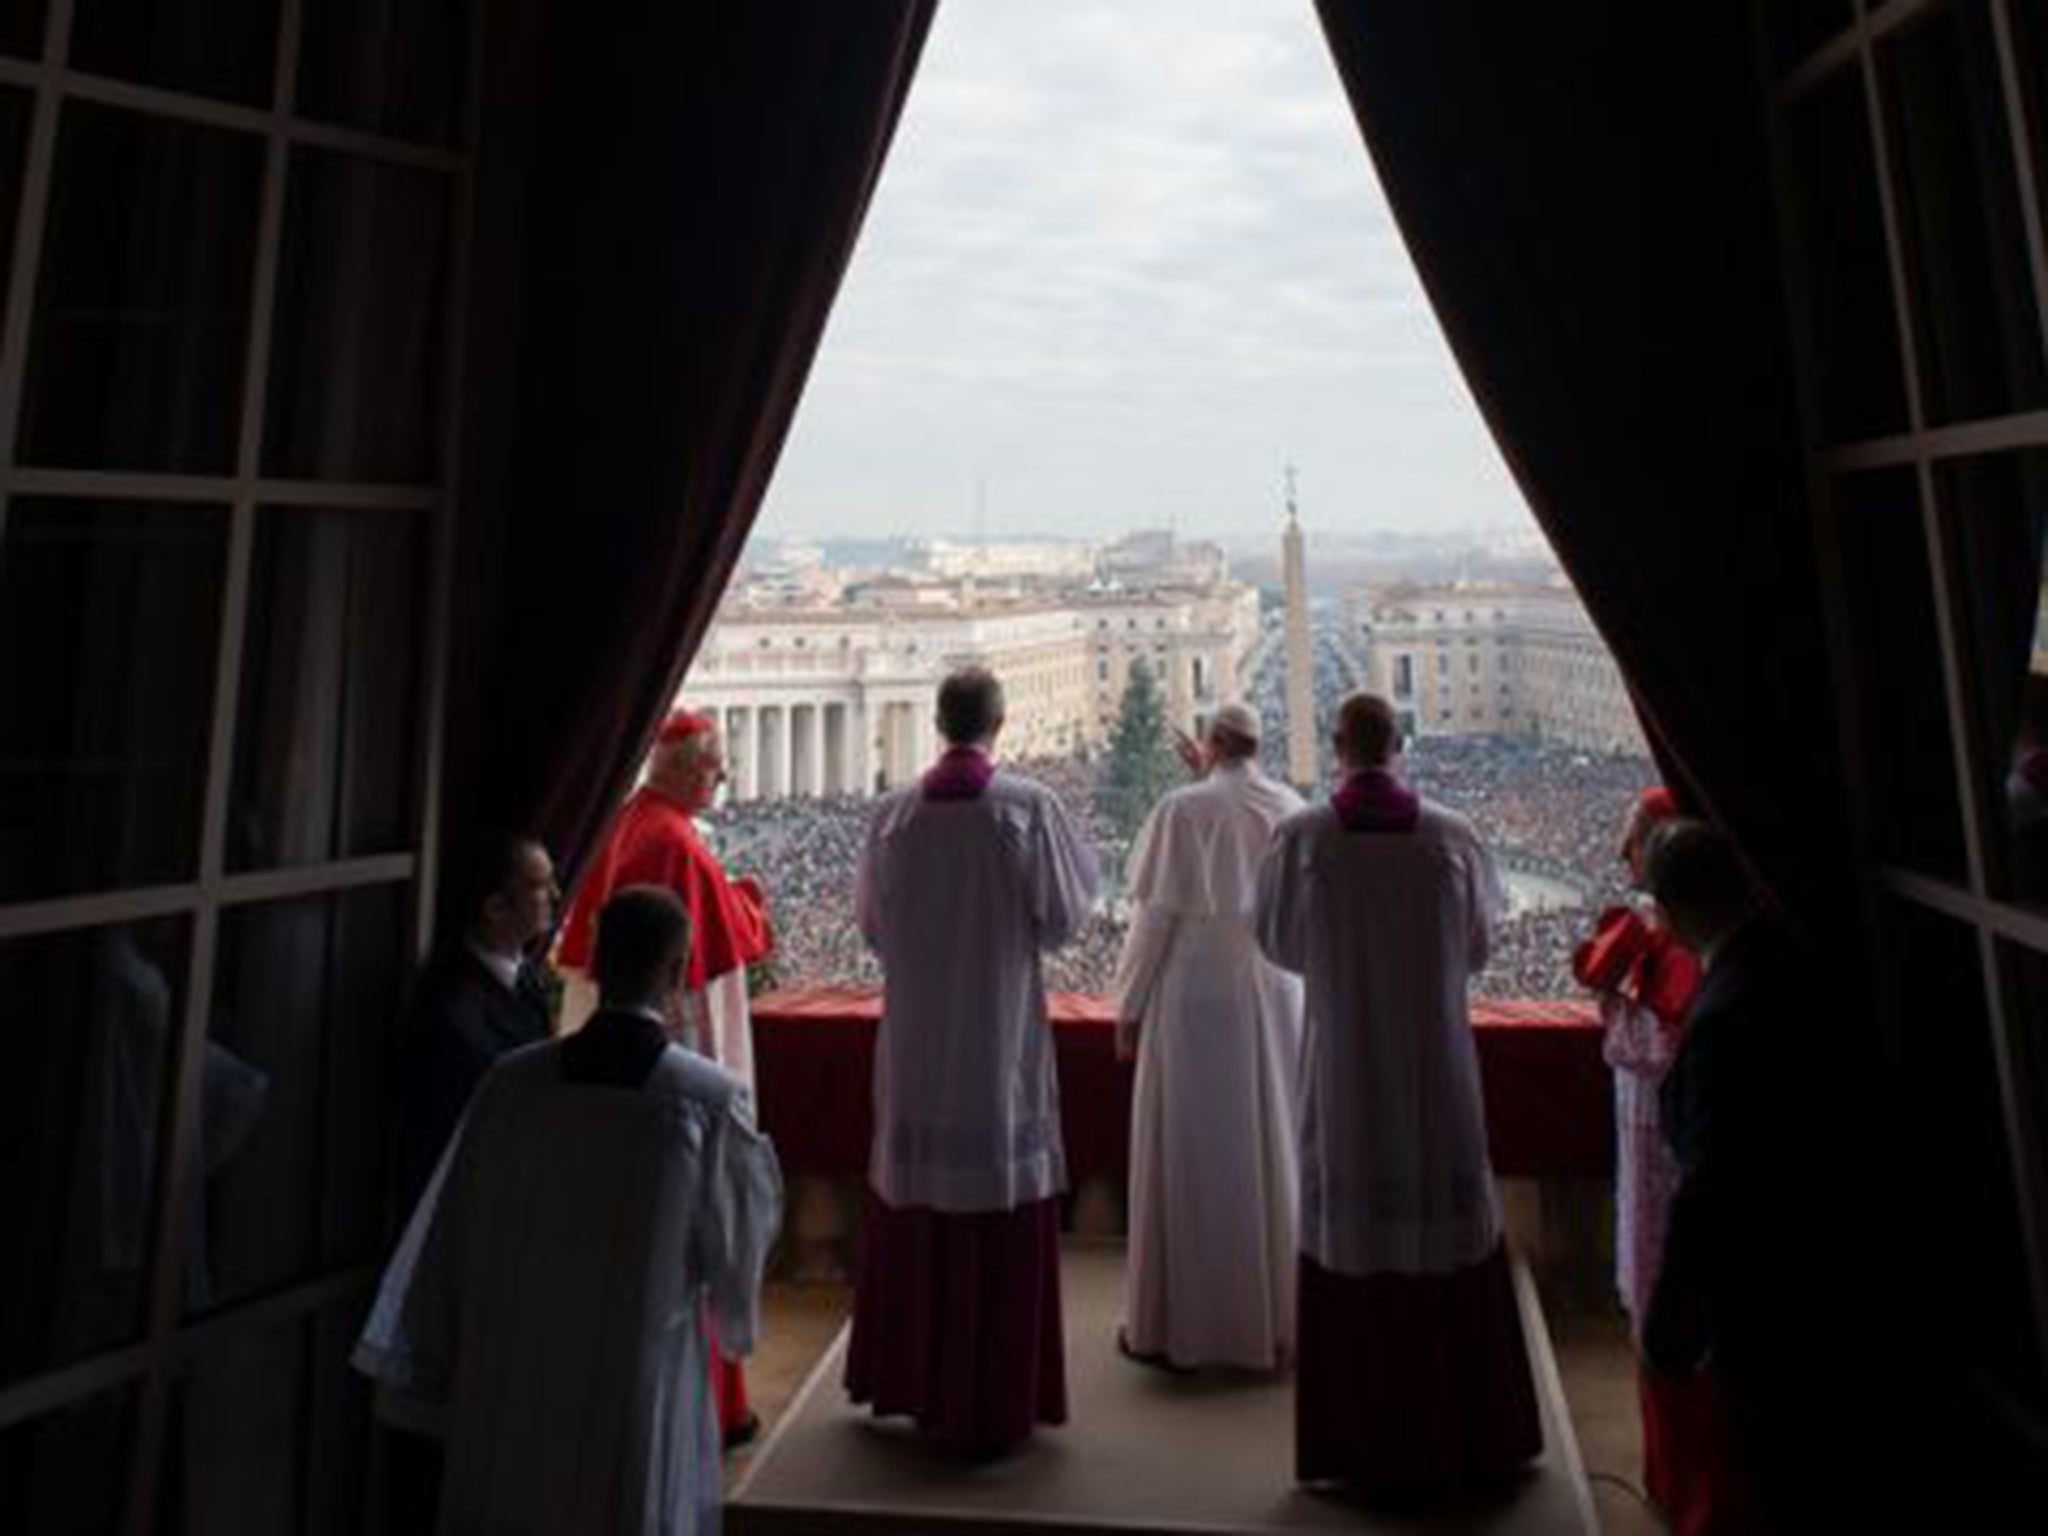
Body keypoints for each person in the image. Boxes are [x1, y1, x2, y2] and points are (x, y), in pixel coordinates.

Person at [354, 887, 782, 1536]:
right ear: (675, 974)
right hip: (636, 1369)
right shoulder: (707, 1102)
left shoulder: (510, 1084)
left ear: (597, 966)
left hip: (516, 1362)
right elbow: (735, 1266)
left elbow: (453, 1231)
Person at [1255, 692, 1540, 1497]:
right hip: (1434, 1068)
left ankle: (1361, 1442)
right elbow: (1480, 948)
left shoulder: (1302, 840)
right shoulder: (1452, 839)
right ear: (1398, 744)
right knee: (1443, 1235)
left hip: (1344, 1063)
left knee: (1354, 1238)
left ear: (1336, 745)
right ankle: (1461, 1430)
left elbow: (1277, 942)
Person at [846, 667, 1101, 1452]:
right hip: (996, 1047)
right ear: (1001, 722)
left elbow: (873, 929)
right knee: (997, 1202)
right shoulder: (1026, 809)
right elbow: (1064, 921)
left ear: (937, 721)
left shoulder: (892, 815)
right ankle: (995, 1390)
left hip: (922, 1046)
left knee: (921, 1203)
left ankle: (917, 1381)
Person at [1641, 821, 1903, 1532]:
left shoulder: (1726, 1013)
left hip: (1775, 1293)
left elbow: (1712, 1193)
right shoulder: (1798, 958)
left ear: (1665, 912)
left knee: (1783, 1473)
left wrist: (1671, 1326)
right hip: (1848, 1265)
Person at [556, 709, 773, 1443]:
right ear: (683, 767)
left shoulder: (632, 821)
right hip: (671, 1074)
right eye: (715, 769)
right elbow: (710, 954)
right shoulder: (674, 840)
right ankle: (716, 1403)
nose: (721, 780)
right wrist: (749, 903)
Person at [1573, 794, 1748, 1534]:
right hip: (1658, 1145)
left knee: (1675, 1324)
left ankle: (1693, 1493)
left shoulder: (1689, 969)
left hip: (1676, 1166)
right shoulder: (1700, 951)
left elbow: (1647, 1046)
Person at [1111, 700, 1304, 1371]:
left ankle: (1186, 1326)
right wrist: (1212, 775)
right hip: (1278, 988)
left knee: (1197, 1153)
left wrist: (1128, 1007)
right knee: (1271, 1144)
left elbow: (1155, 917)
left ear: (1213, 743)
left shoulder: (1181, 810)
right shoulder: (1291, 805)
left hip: (1198, 992)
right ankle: (1277, 1318)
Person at [394, 831, 560, 1213]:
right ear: (496, 908)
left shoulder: (523, 975)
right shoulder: (454, 1015)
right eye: (539, 885)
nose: (555, 894)